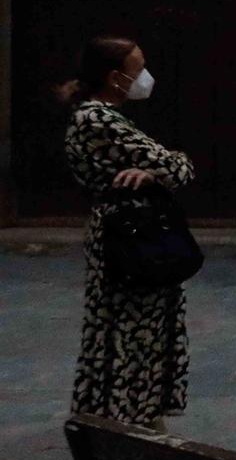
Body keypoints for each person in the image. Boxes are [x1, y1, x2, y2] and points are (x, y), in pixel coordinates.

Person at [64, 36, 195, 429]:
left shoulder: (107, 116)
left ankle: (141, 421)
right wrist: (165, 168)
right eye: (137, 69)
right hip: (128, 238)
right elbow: (178, 167)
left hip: (137, 232)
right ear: (114, 77)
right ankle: (124, 425)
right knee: (128, 335)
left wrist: (158, 170)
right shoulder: (97, 119)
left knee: (145, 332)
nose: (144, 76)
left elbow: (171, 167)